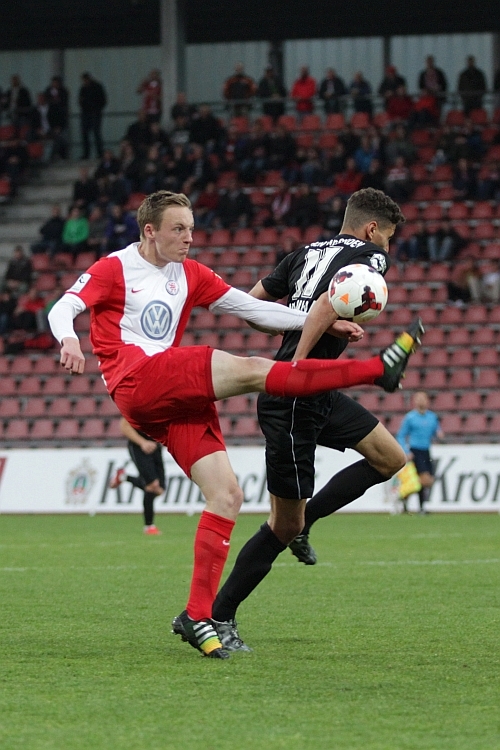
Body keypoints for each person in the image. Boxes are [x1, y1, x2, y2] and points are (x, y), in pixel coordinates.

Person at [48, 189, 421, 660]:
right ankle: (376, 370)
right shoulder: (116, 267)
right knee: (253, 370)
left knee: (227, 495)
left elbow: (252, 308)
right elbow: (63, 307)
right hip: (137, 377)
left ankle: (198, 615)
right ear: (150, 231)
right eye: (178, 229)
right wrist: (69, 340)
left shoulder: (191, 273)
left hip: (169, 398)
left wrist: (318, 321)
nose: (189, 237)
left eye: (191, 228)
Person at [209, 188, 425, 652]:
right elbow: (330, 300)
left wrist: (308, 325)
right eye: (388, 237)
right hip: (292, 397)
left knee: (390, 458)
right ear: (372, 228)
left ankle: (307, 523)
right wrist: (301, 359)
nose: (387, 247)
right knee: (281, 524)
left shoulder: (303, 253)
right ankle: (217, 616)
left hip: (317, 390)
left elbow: (251, 306)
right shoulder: (370, 256)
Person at [109, 417, 166, 534]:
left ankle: (123, 477)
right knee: (152, 485)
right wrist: (142, 442)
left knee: (160, 490)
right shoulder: (136, 407)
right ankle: (149, 526)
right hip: (139, 446)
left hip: (155, 445)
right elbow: (124, 425)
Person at [396, 392, 444, 514]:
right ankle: (421, 507)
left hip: (426, 451)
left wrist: (439, 435)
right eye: (419, 399)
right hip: (415, 451)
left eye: (423, 399)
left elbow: (436, 431)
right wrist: (406, 451)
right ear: (415, 401)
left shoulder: (432, 417)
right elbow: (401, 435)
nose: (421, 401)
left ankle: (404, 498)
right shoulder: (410, 417)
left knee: (426, 481)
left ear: (427, 401)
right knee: (424, 479)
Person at [78, 72, 107, 160]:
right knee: (85, 133)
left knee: (96, 133)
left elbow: (103, 100)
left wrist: (96, 108)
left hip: (95, 113)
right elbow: (80, 100)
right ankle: (86, 153)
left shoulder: (97, 87)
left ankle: (100, 153)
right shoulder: (83, 88)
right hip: (86, 113)